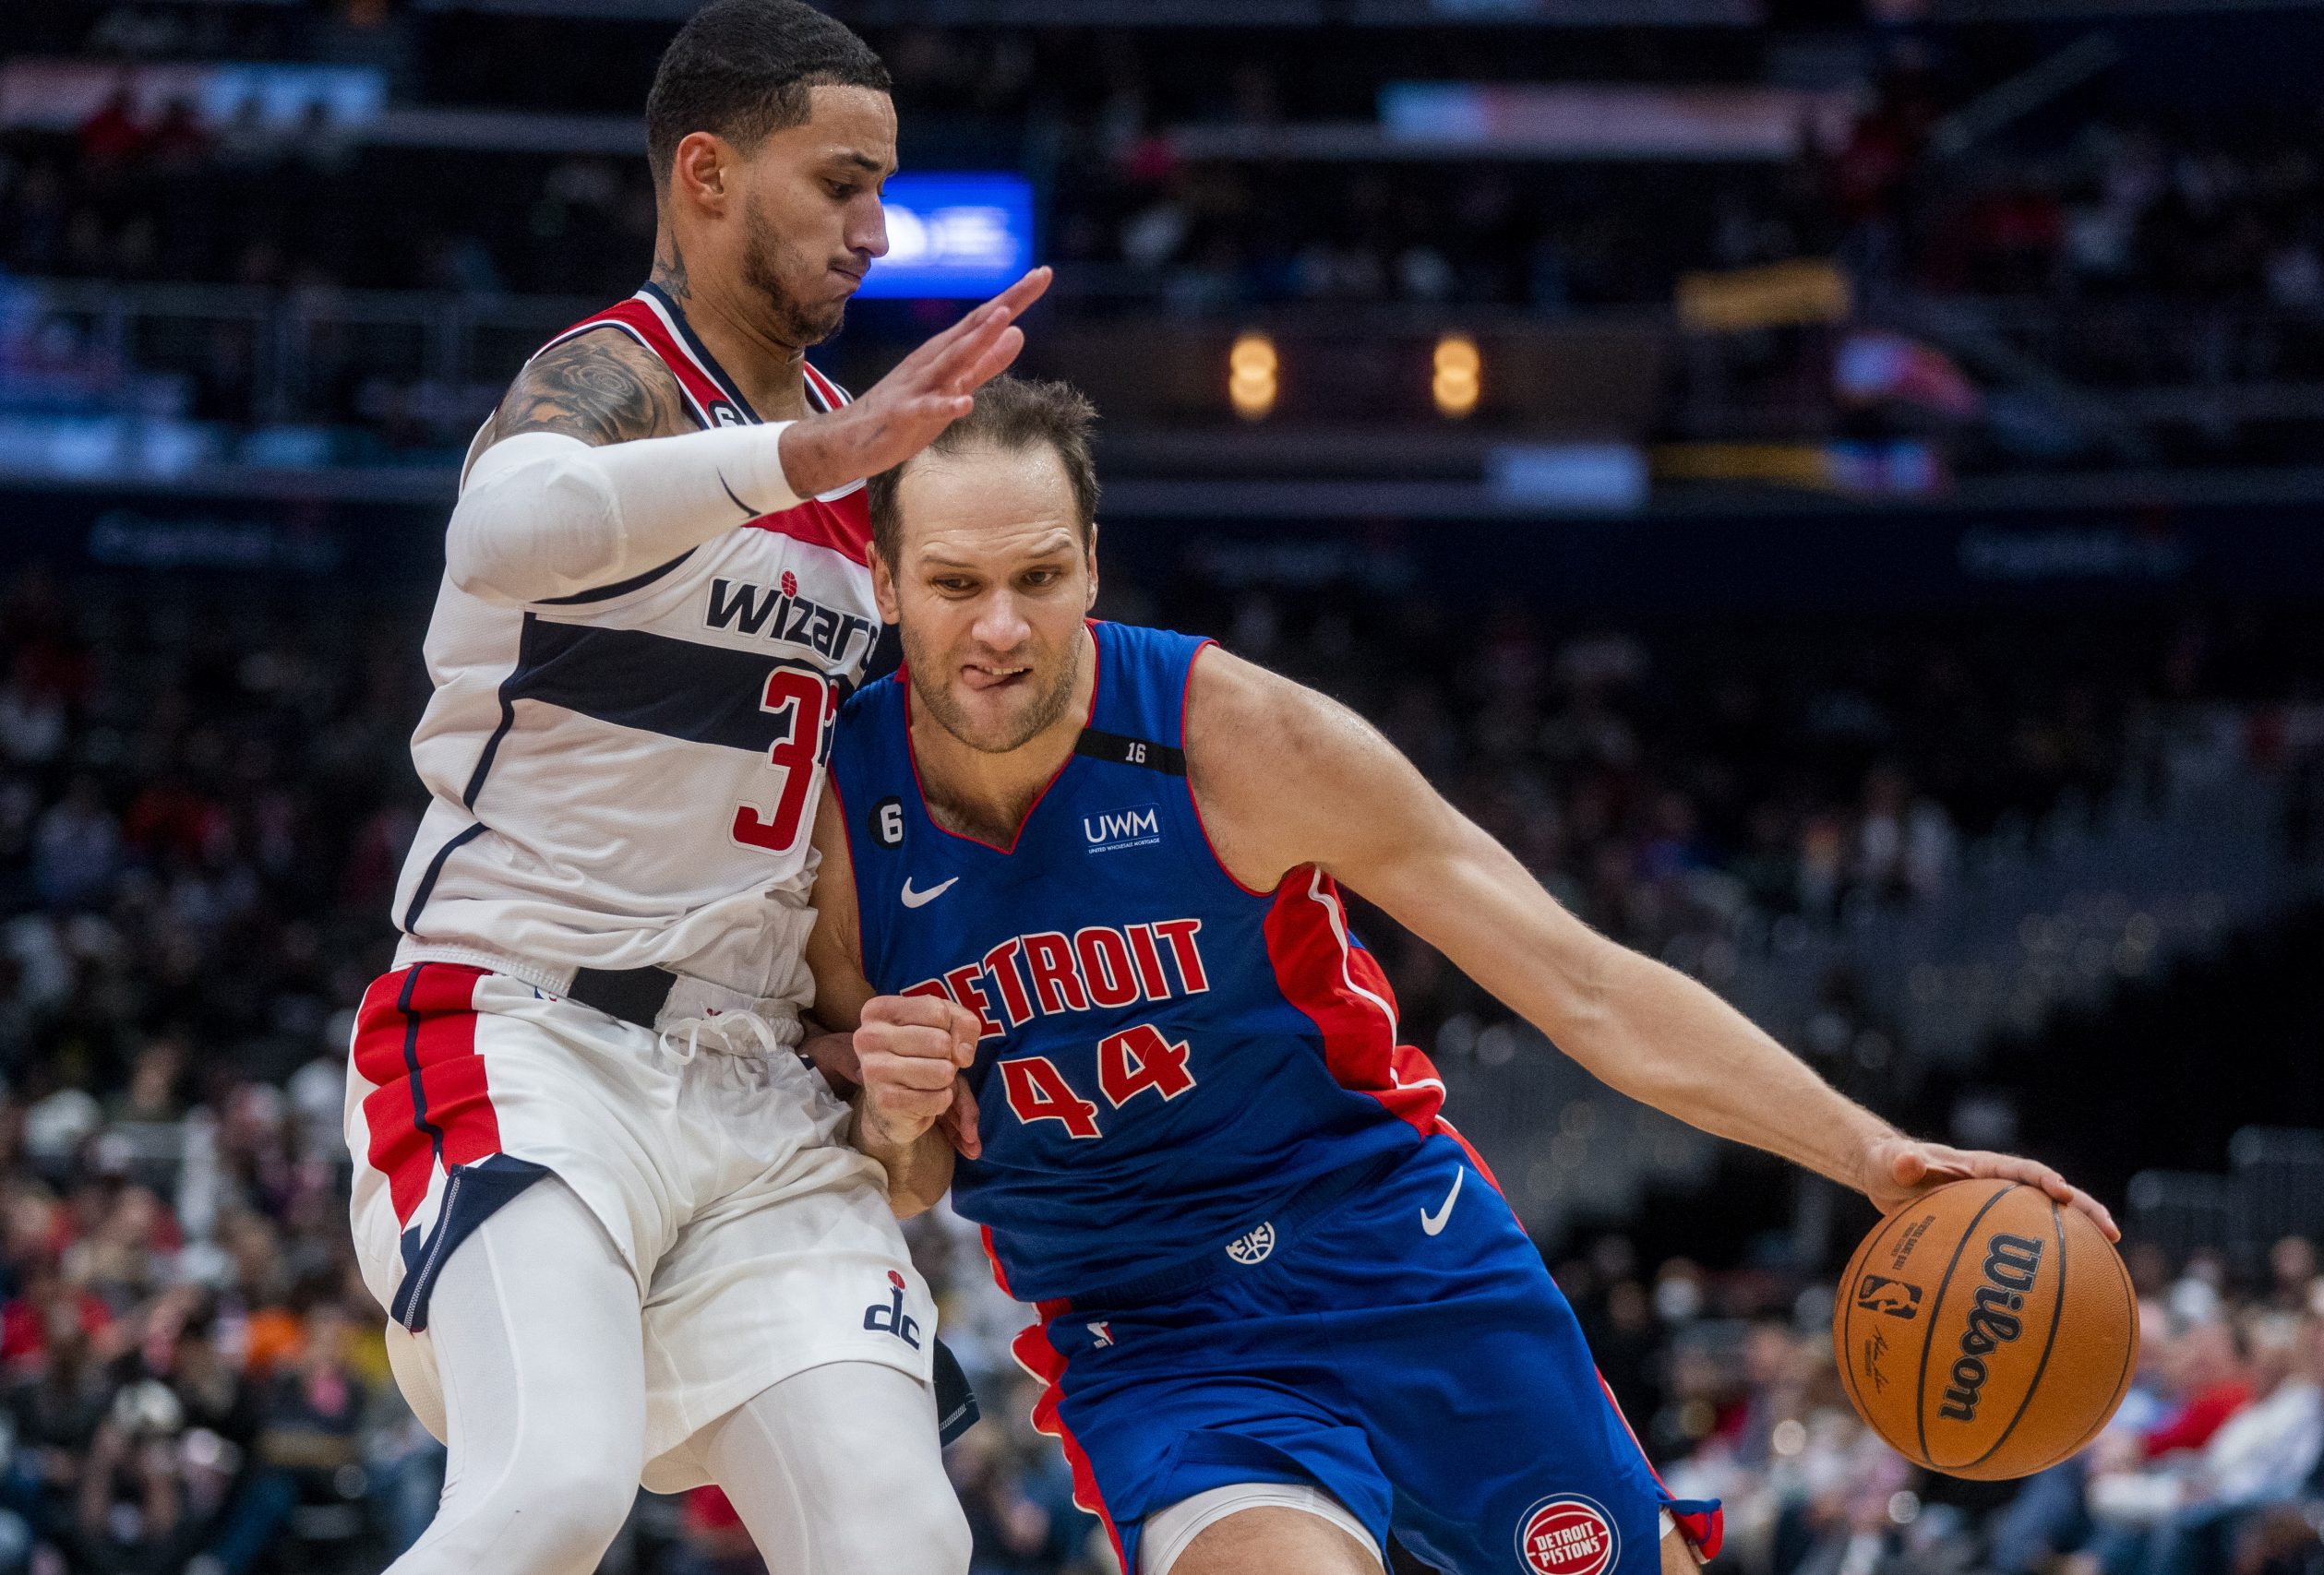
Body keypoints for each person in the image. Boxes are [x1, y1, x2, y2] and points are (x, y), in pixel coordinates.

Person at [804, 376, 2122, 1575]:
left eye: (1037, 576)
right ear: (884, 579)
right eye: (954, 582)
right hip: (1156, 1333)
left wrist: (1868, 1153)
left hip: (1391, 1247)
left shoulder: (1235, 739)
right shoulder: (837, 814)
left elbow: (1587, 988)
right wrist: (892, 1111)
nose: (999, 627)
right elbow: (912, 1174)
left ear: (1091, 566)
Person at [343, 1, 1050, 1570]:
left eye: (886, 189)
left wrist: (872, 1030)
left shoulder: (856, 466)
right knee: (548, 1497)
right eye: (842, 184)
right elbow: (501, 536)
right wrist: (802, 465)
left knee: (904, 1545)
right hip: (523, 1032)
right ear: (710, 173)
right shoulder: (613, 380)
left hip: (753, 1092)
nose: (876, 230)